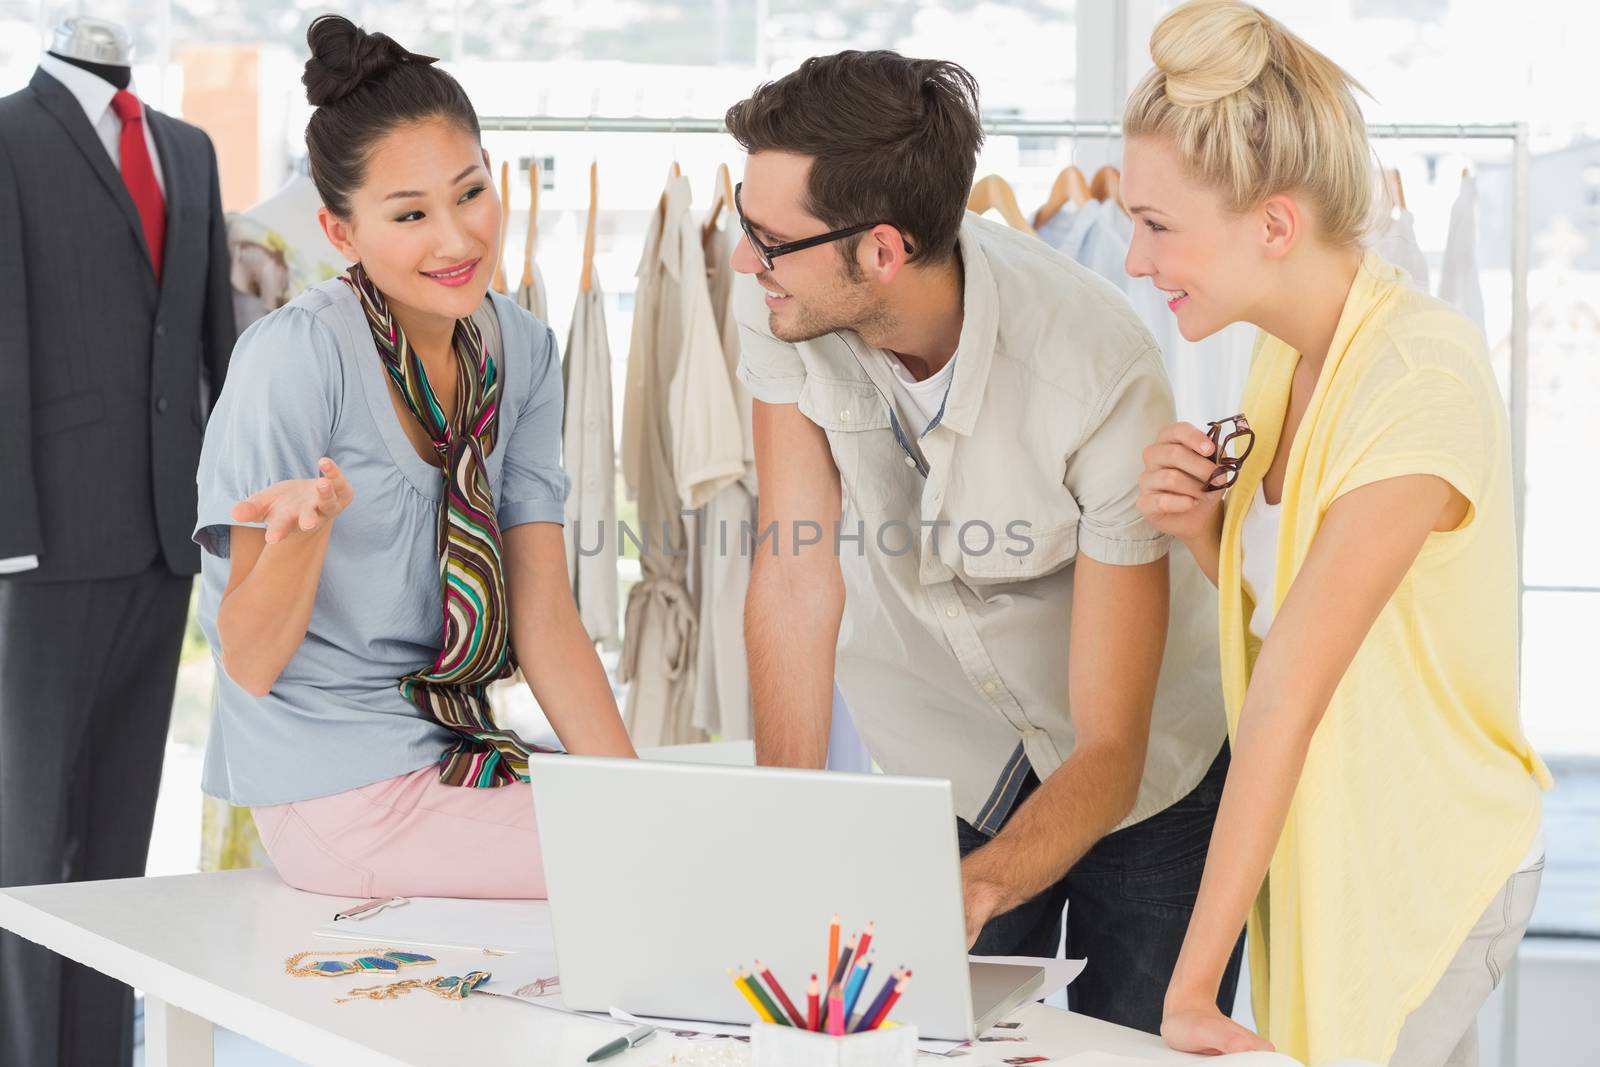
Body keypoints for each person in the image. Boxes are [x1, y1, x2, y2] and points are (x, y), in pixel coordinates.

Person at [728, 50, 1239, 1033]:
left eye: (770, 238)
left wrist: (974, 888)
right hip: (949, 754)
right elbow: (795, 573)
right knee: (929, 1042)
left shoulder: (1094, 370)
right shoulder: (787, 303)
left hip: (1152, 784)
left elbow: (1110, 744)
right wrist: (782, 834)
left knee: (1138, 1049)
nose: (747, 260)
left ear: (880, 249)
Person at [1121, 3, 1551, 1063]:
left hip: (1423, 862)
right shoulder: (1284, 357)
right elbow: (1291, 607)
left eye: (1157, 225)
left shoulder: (1415, 380)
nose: (1134, 259)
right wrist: (1203, 529)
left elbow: (1287, 695)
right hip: (1335, 852)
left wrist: (1186, 989)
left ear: (1274, 226)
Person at [193, 15, 634, 900]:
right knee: (641, 867)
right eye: (409, 215)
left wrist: (640, 796)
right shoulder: (295, 358)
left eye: (470, 193)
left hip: (456, 751)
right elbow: (246, 663)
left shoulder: (524, 350)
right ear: (341, 232)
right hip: (332, 785)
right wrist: (304, 539)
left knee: (671, 834)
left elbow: (544, 615)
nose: (456, 239)